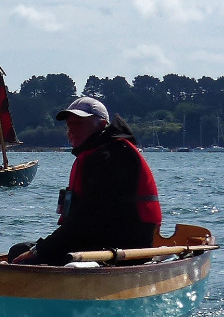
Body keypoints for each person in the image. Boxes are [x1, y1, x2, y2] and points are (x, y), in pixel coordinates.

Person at [10, 96, 160, 265]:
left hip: (121, 248)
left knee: (21, 254)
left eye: (79, 124)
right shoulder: (100, 154)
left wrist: (39, 249)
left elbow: (86, 220)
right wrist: (42, 248)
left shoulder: (109, 157)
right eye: (69, 125)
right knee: (21, 250)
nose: (71, 131)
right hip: (101, 240)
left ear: (102, 125)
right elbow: (82, 223)